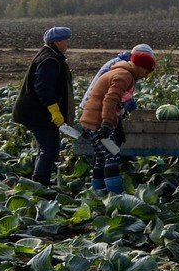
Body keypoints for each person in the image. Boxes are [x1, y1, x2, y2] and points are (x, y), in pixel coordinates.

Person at [78, 45, 157, 194]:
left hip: (94, 121)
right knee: (112, 156)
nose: (146, 76)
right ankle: (114, 195)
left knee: (102, 158)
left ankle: (99, 194)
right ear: (139, 67)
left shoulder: (125, 73)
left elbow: (119, 105)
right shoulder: (124, 76)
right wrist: (107, 124)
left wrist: (117, 124)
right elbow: (110, 100)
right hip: (97, 122)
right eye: (146, 71)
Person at [13, 27, 75, 186]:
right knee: (49, 148)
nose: (67, 44)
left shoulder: (52, 55)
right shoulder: (49, 60)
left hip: (39, 113)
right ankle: (40, 185)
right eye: (65, 41)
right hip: (36, 113)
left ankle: (40, 181)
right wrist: (54, 111)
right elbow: (43, 88)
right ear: (56, 42)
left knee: (47, 148)